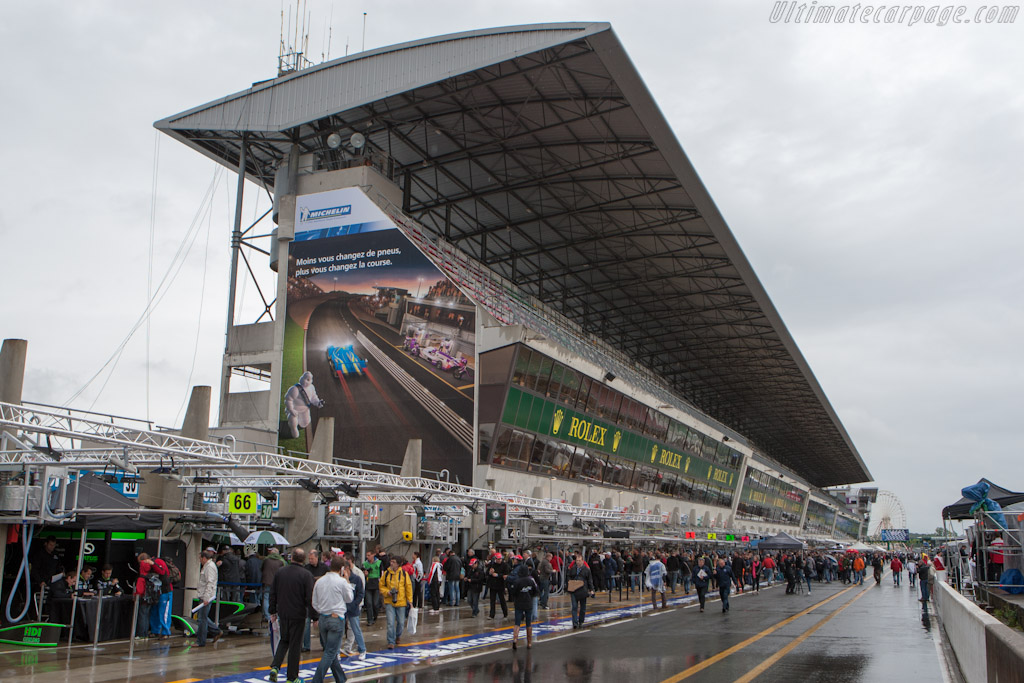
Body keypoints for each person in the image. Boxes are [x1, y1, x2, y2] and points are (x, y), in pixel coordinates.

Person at [269, 548, 314, 683]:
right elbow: (309, 597)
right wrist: (314, 615)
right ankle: (292, 677)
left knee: (284, 640)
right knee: (295, 645)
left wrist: (272, 611)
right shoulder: (306, 575)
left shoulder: (280, 572)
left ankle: (275, 667)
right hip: (299, 614)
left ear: (291, 558)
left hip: (283, 612)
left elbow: (273, 593)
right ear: (303, 559)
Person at [309, 555, 354, 683]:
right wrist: (347, 580)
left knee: (330, 650)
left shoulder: (320, 581)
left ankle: (340, 678)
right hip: (336, 617)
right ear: (341, 569)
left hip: (323, 617)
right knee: (330, 652)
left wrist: (322, 610)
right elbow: (349, 598)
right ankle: (316, 680)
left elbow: (314, 602)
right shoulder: (341, 582)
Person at [379, 557, 413, 650]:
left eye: (393, 562)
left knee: (401, 622)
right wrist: (387, 592)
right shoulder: (386, 573)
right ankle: (391, 641)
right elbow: (381, 585)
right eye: (391, 561)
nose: (391, 563)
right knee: (390, 622)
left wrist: (410, 601)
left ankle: (398, 635)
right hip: (389, 601)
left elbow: (408, 587)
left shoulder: (403, 574)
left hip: (401, 602)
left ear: (398, 564)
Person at [284, 371, 324, 439]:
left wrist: (318, 403)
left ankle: (298, 424)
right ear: (301, 378)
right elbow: (288, 399)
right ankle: (293, 429)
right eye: (305, 378)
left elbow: (313, 397)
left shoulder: (311, 387)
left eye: (308, 379)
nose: (306, 381)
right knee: (293, 419)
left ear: (311, 380)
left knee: (305, 422)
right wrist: (291, 409)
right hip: (295, 409)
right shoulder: (295, 389)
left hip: (305, 409)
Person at [510, 558, 539, 650]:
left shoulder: (517, 581)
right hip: (528, 603)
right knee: (528, 623)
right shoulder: (531, 581)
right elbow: (535, 591)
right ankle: (529, 642)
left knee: (517, 622)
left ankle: (515, 639)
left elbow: (513, 592)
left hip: (519, 603)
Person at [303, 550, 329, 652]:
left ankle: (324, 644)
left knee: (321, 624)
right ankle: (306, 645)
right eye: (309, 559)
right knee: (306, 624)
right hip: (309, 598)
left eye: (312, 559)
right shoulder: (307, 568)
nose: (310, 560)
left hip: (321, 598)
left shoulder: (324, 568)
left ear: (317, 558)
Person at [196, 550, 223, 647]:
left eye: (200, 558)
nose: (200, 561)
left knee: (202, 619)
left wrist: (206, 597)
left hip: (206, 596)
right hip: (205, 595)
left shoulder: (209, 567)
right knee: (202, 617)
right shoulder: (208, 566)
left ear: (204, 558)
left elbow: (210, 582)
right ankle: (216, 631)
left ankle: (201, 641)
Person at [341, 558, 366, 659]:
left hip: (353, 608)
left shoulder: (357, 578)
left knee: (356, 629)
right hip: (342, 608)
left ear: (347, 568)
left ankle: (362, 649)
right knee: (340, 630)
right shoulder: (341, 579)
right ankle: (338, 650)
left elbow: (360, 593)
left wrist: (355, 604)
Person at [567, 553, 593, 629]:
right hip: (574, 589)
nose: (578, 562)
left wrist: (591, 589)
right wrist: (569, 583)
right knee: (574, 606)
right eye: (577, 560)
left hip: (583, 590)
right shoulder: (573, 568)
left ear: (582, 561)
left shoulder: (586, 570)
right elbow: (568, 576)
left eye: (579, 560)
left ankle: (581, 621)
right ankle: (575, 622)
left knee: (583, 607)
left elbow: (590, 580)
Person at [149, 555, 173, 639]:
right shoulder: (153, 563)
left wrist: (153, 564)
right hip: (157, 591)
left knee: (164, 612)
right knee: (154, 611)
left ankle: (165, 632)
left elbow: (162, 572)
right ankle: (155, 631)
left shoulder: (158, 562)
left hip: (165, 591)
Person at [262, 547, 285, 623]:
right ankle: (277, 615)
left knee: (266, 598)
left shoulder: (266, 560)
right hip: (278, 583)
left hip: (267, 581)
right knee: (277, 599)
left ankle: (267, 616)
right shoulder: (281, 561)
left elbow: (261, 568)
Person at [486, 552, 509, 619]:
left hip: (500, 585)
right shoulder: (492, 565)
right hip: (493, 584)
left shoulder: (504, 565)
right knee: (492, 600)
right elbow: (487, 573)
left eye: (500, 559)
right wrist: (490, 573)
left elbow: (506, 574)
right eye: (498, 559)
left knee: (502, 600)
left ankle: (505, 613)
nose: (499, 560)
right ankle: (491, 614)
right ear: (495, 559)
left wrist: (498, 575)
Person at [362, 552, 382, 626]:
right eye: (366, 555)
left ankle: (375, 616)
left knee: (375, 603)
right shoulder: (365, 564)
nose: (367, 557)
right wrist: (365, 574)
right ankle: (370, 619)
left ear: (373, 555)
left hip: (376, 585)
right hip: (368, 585)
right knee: (369, 603)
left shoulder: (379, 563)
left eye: (369, 555)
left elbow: (381, 574)